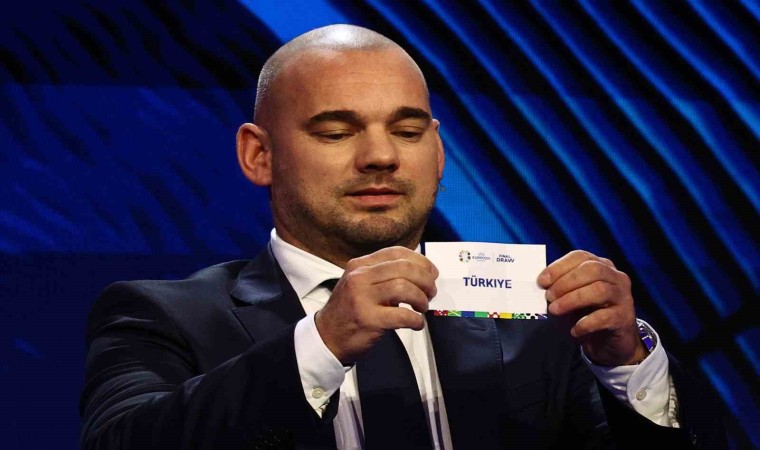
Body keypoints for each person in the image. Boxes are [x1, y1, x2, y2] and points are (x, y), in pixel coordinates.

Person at [79, 24, 726, 449]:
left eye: (408, 131)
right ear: (259, 155)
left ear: (438, 153)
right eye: (337, 132)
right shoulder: (161, 316)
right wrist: (322, 341)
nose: (382, 156)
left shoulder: (538, 326)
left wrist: (626, 366)